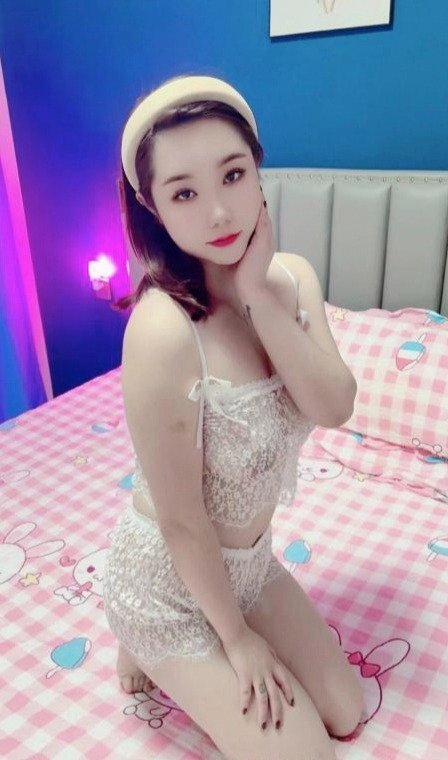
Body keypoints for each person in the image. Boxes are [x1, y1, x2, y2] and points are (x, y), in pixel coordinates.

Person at [102, 72, 363, 760]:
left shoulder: (292, 278)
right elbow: (182, 520)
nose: (219, 213)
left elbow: (334, 405)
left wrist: (258, 296)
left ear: (257, 167)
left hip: (249, 568)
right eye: (184, 193)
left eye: (233, 174)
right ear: (153, 206)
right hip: (168, 585)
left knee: (347, 710)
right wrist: (238, 641)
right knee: (308, 755)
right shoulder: (162, 330)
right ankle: (139, 638)